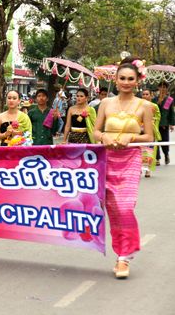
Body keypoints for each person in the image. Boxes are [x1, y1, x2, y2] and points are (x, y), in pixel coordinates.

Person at [93, 57, 153, 279]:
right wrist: (104, 137)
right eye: (122, 78)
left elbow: (149, 136)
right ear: (115, 80)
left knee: (125, 207)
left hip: (130, 160)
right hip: (106, 160)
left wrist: (131, 137)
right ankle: (121, 255)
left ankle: (125, 257)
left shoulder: (144, 105)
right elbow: (96, 132)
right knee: (113, 210)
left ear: (137, 81)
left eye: (130, 79)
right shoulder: (106, 104)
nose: (126, 82)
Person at [141, 89, 162, 178]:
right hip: (139, 131)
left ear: (150, 95)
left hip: (150, 131)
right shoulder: (138, 106)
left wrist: (153, 121)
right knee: (139, 151)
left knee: (149, 151)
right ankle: (139, 169)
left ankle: (147, 170)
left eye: (147, 94)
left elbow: (158, 117)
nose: (145, 96)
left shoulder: (154, 106)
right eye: (144, 94)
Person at [154, 81, 174, 165]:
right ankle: (157, 158)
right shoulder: (154, 99)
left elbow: (170, 112)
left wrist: (172, 124)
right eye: (161, 87)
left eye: (165, 87)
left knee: (165, 141)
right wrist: (158, 103)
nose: (163, 89)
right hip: (154, 124)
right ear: (158, 88)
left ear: (166, 89)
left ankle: (166, 154)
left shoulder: (169, 100)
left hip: (164, 124)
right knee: (155, 142)